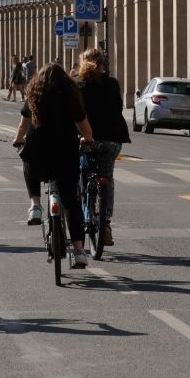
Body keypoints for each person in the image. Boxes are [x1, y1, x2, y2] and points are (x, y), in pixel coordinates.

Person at [13, 63, 94, 269]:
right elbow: (84, 126)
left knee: (27, 161)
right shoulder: (71, 96)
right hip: (65, 154)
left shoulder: (35, 94)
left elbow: (23, 124)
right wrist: (87, 139)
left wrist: (18, 139)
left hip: (39, 152)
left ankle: (35, 206)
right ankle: (78, 251)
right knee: (71, 203)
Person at [75, 48, 130, 246]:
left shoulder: (78, 84)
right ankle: (106, 225)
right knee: (107, 178)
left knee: (77, 173)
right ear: (101, 64)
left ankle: (81, 214)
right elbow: (118, 107)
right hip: (113, 138)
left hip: (86, 139)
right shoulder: (113, 83)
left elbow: (74, 113)